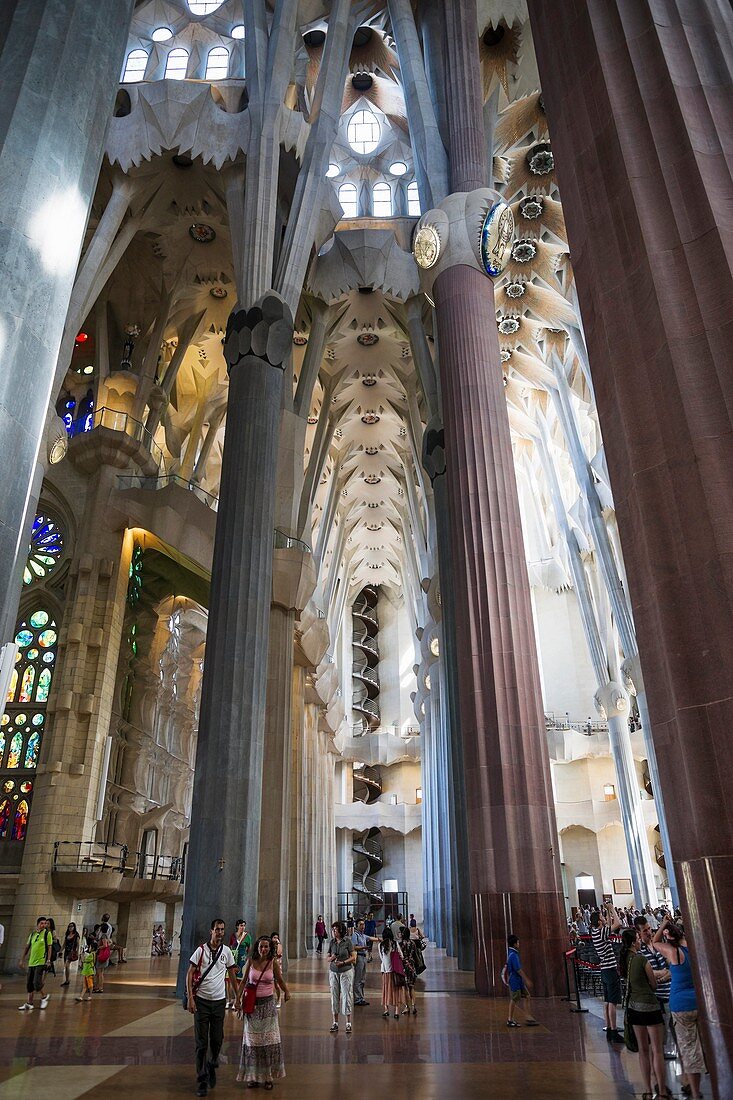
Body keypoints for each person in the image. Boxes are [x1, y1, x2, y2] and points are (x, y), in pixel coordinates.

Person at [653, 917, 706, 1099]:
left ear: (669, 937)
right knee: (704, 1045)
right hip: (699, 1002)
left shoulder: (672, 951)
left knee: (689, 1048)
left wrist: (663, 925)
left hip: (680, 1005)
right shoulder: (690, 948)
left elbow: (654, 942)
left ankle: (696, 1091)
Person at [186, 918, 237, 1098]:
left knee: (216, 1039)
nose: (220, 932)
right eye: (217, 929)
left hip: (219, 1002)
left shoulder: (227, 952)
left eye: (222, 929)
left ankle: (213, 1063)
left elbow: (231, 974)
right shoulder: (201, 951)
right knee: (201, 1043)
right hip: (201, 1001)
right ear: (211, 931)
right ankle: (202, 1079)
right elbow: (189, 973)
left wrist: (237, 997)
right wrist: (191, 998)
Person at [619, 928, 670, 1100]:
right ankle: (662, 1091)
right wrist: (660, 978)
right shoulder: (641, 959)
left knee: (643, 1050)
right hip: (649, 1005)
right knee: (657, 1050)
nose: (640, 941)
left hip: (633, 1007)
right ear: (634, 942)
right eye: (638, 939)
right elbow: (653, 985)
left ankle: (648, 1089)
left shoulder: (625, 960)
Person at [236, 935, 289, 1089]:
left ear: (270, 948)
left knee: (268, 1042)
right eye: (261, 947)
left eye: (266, 946)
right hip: (252, 1007)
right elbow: (244, 981)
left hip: (268, 1007)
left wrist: (286, 991)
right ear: (257, 948)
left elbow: (279, 980)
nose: (264, 949)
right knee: (252, 1042)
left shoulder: (273, 963)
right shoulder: (251, 962)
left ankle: (268, 1077)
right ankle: (252, 1076)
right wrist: (237, 998)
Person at [590, 903, 623, 1043]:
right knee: (612, 1002)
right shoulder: (601, 932)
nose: (604, 918)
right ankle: (614, 1030)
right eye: (601, 917)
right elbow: (618, 923)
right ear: (598, 921)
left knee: (607, 1001)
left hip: (604, 969)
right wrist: (612, 909)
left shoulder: (595, 932)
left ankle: (609, 1028)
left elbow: (609, 924)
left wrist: (607, 912)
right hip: (609, 969)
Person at [327, 920, 356, 1033]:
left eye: (335, 930)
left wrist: (343, 962)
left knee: (346, 995)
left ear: (340, 931)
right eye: (333, 930)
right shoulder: (332, 942)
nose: (333, 932)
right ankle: (335, 1022)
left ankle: (348, 1023)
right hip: (333, 972)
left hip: (346, 972)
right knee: (334, 996)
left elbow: (353, 957)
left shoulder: (347, 942)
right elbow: (328, 958)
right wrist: (333, 958)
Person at [18, 916, 52, 1011]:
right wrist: (22, 959)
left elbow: (49, 948)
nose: (44, 925)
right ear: (37, 924)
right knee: (29, 984)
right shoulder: (32, 934)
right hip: (31, 962)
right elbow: (27, 947)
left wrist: (48, 960)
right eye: (42, 923)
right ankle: (29, 1003)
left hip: (40, 962)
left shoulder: (47, 934)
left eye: (45, 923)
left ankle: (44, 997)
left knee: (36, 983)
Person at [505, 934, 538, 1027]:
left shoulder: (512, 953)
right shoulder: (513, 955)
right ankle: (510, 1019)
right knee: (514, 999)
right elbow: (518, 969)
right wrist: (526, 979)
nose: (519, 944)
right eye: (518, 942)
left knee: (527, 996)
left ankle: (528, 1016)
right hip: (515, 980)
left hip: (518, 981)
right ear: (515, 944)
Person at [374, 926, 405, 1020]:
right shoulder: (395, 944)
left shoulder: (381, 945)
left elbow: (381, 958)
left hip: (385, 970)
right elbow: (401, 955)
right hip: (395, 971)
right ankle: (396, 1012)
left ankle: (386, 1009)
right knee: (396, 990)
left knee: (386, 989)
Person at [228, 920, 250, 1010]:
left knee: (241, 980)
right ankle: (233, 999)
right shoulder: (233, 936)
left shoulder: (247, 936)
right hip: (234, 958)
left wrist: (244, 956)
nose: (243, 927)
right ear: (237, 926)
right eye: (241, 925)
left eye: (244, 925)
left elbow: (249, 948)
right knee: (232, 979)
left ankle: (239, 999)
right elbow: (230, 946)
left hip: (242, 959)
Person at [398, 926, 419, 1015]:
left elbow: (399, 957)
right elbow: (416, 955)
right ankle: (414, 1005)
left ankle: (407, 1007)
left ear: (402, 934)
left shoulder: (400, 944)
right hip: (412, 966)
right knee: (412, 987)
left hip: (404, 966)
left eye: (400, 932)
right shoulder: (412, 943)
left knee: (405, 988)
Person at [351, 918, 370, 1006]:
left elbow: (370, 938)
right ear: (357, 926)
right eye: (360, 925)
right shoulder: (355, 935)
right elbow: (354, 947)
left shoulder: (363, 935)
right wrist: (363, 948)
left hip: (364, 957)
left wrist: (379, 939)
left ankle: (361, 997)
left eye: (363, 924)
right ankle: (357, 999)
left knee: (362, 979)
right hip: (359, 957)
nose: (363, 926)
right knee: (358, 979)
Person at [75, 936, 97, 1003]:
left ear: (92, 948)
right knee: (85, 985)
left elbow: (84, 960)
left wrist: (82, 956)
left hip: (89, 972)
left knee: (90, 985)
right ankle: (81, 996)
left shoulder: (91, 955)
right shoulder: (91, 954)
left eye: (90, 947)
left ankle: (90, 996)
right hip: (86, 971)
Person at [60, 922, 80, 987]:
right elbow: (64, 944)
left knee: (67, 965)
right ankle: (67, 980)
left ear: (74, 927)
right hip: (66, 951)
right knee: (66, 966)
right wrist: (60, 951)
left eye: (72, 926)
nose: (70, 928)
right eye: (69, 926)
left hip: (72, 952)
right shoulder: (67, 934)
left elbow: (78, 944)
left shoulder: (76, 935)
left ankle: (67, 980)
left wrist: (77, 952)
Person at [270, 933, 284, 1008]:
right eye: (274, 937)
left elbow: (279, 953)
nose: (275, 939)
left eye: (277, 937)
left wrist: (278, 944)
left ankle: (279, 1000)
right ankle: (271, 1001)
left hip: (277, 967)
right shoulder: (268, 946)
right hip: (270, 967)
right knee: (270, 985)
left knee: (277, 985)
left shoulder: (279, 946)